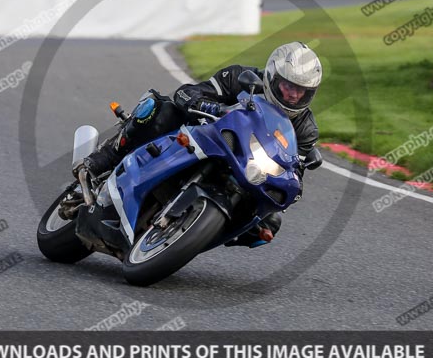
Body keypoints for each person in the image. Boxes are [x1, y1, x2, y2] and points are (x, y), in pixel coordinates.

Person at [78, 42, 322, 247]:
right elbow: (186, 92)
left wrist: (295, 182)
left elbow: (294, 170)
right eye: (288, 86)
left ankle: (197, 235)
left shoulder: (306, 129)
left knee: (270, 222)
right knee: (160, 110)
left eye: (301, 91)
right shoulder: (241, 78)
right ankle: (104, 159)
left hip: (248, 166)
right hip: (202, 136)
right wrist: (206, 105)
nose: (293, 95)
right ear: (272, 76)